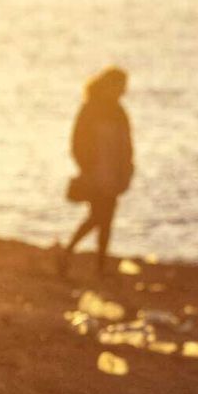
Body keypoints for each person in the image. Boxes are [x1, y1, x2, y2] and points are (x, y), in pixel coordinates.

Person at [59, 68, 133, 277]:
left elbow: (127, 144)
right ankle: (74, 252)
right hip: (95, 173)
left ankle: (96, 261)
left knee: (105, 219)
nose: (123, 91)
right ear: (109, 85)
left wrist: (127, 169)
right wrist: (86, 167)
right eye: (120, 86)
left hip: (113, 173)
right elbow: (76, 142)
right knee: (99, 216)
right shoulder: (90, 108)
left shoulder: (119, 112)